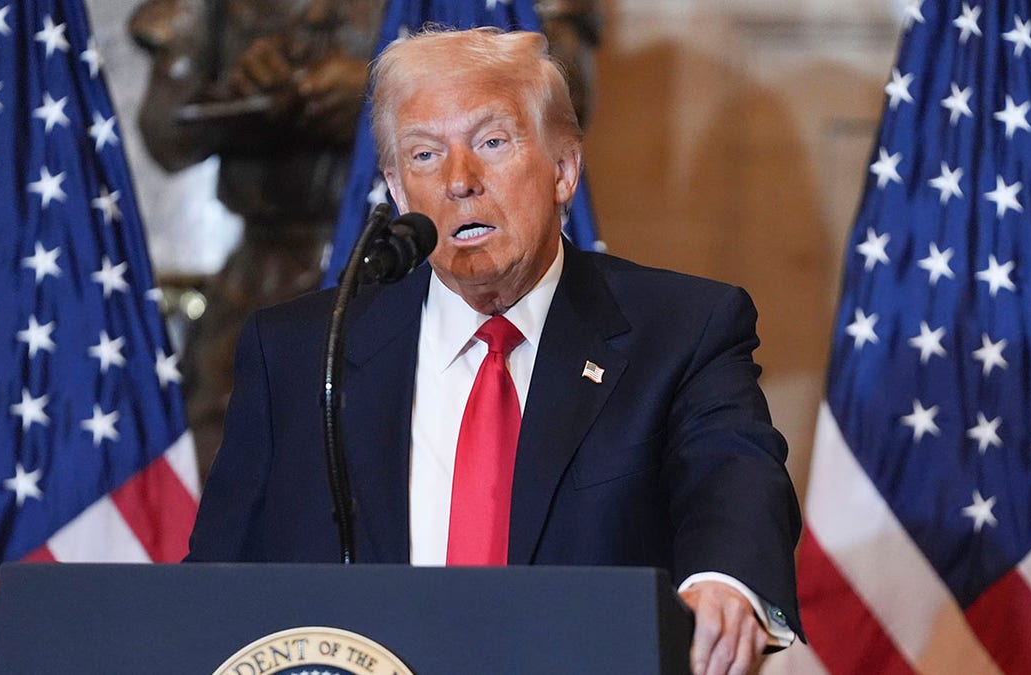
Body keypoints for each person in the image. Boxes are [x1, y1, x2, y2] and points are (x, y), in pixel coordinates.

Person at [187, 27, 803, 675]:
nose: (459, 180)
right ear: (397, 192)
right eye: (425, 156)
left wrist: (725, 580)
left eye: (491, 142)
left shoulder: (681, 329)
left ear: (564, 169)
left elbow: (734, 475)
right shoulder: (303, 349)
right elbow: (213, 588)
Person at [128, 0, 602, 481]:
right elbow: (165, 132)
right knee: (233, 475)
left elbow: (566, 98)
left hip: (432, 267)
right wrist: (245, 90)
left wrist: (379, 95)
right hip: (265, 270)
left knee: (430, 469)